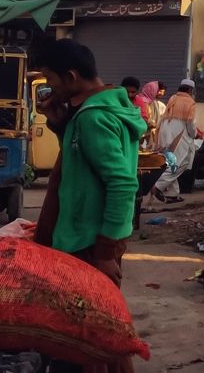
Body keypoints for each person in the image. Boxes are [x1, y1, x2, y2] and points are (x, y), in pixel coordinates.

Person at [30, 40, 140, 373]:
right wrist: (61, 124)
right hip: (87, 237)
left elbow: (122, 184)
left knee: (86, 338)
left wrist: (104, 253)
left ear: (72, 76)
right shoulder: (96, 111)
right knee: (104, 328)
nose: (50, 87)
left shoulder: (93, 118)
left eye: (51, 79)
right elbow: (80, 165)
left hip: (89, 243)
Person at [148, 79, 199, 206]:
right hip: (179, 133)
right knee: (181, 162)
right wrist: (195, 134)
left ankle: (172, 194)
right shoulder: (190, 102)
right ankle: (158, 186)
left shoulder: (173, 98)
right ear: (190, 90)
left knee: (171, 162)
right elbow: (190, 123)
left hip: (166, 131)